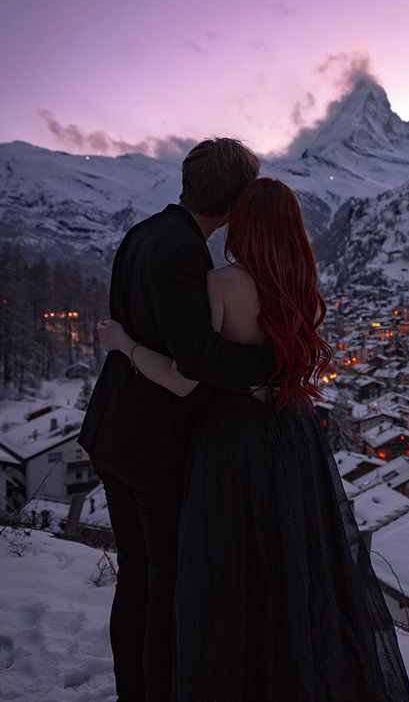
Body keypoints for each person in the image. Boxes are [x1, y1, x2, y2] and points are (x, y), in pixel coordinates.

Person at [98, 177, 409, 702]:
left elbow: (186, 375)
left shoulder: (222, 283)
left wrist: (123, 343)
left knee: (230, 576)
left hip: (232, 444)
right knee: (294, 562)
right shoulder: (304, 286)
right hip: (294, 435)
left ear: (243, 223)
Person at [78, 138, 277, 702]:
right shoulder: (185, 252)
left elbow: (132, 327)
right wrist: (279, 359)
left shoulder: (141, 234)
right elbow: (198, 360)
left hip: (114, 431)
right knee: (161, 583)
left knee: (138, 579)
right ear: (236, 201)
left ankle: (133, 689)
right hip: (152, 446)